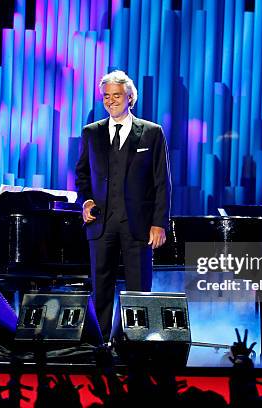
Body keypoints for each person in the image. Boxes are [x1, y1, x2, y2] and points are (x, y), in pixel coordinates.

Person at [75, 70, 172, 339]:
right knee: (101, 288)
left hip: (138, 226)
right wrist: (86, 200)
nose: (110, 101)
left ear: (130, 97)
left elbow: (161, 182)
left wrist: (159, 223)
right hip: (100, 225)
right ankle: (99, 346)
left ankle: (136, 344)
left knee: (138, 288)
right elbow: (82, 175)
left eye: (116, 95)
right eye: (106, 96)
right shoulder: (91, 133)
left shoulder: (152, 133)